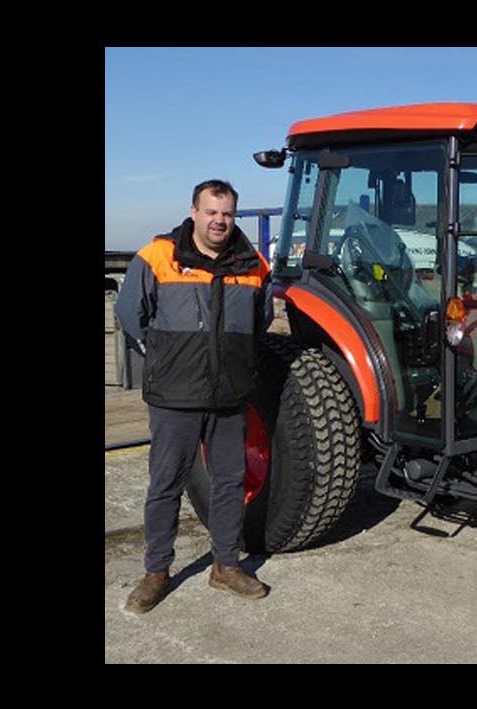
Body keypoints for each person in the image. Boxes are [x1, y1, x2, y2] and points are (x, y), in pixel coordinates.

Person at [115, 179, 274, 614]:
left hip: (229, 395)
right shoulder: (158, 256)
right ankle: (156, 572)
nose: (219, 221)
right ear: (194, 212)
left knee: (229, 481)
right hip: (175, 394)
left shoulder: (254, 264)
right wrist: (167, 355)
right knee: (166, 483)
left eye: (227, 214)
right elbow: (131, 313)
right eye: (211, 212)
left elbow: (262, 321)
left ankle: (225, 566)